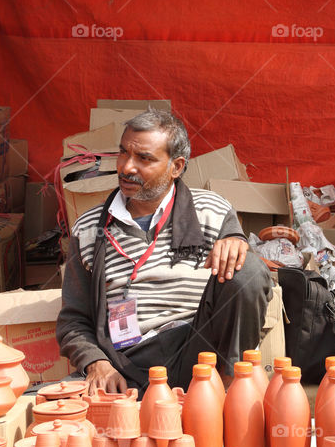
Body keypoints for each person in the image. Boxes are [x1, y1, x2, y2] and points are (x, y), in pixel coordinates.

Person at [56, 109, 272, 393]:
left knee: (250, 270)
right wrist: (97, 362)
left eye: (144, 158)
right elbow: (73, 319)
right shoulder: (88, 228)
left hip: (200, 352)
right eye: (123, 154)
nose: (127, 167)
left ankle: (231, 391)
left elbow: (247, 286)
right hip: (127, 363)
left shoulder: (213, 211)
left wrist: (237, 241)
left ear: (176, 166)